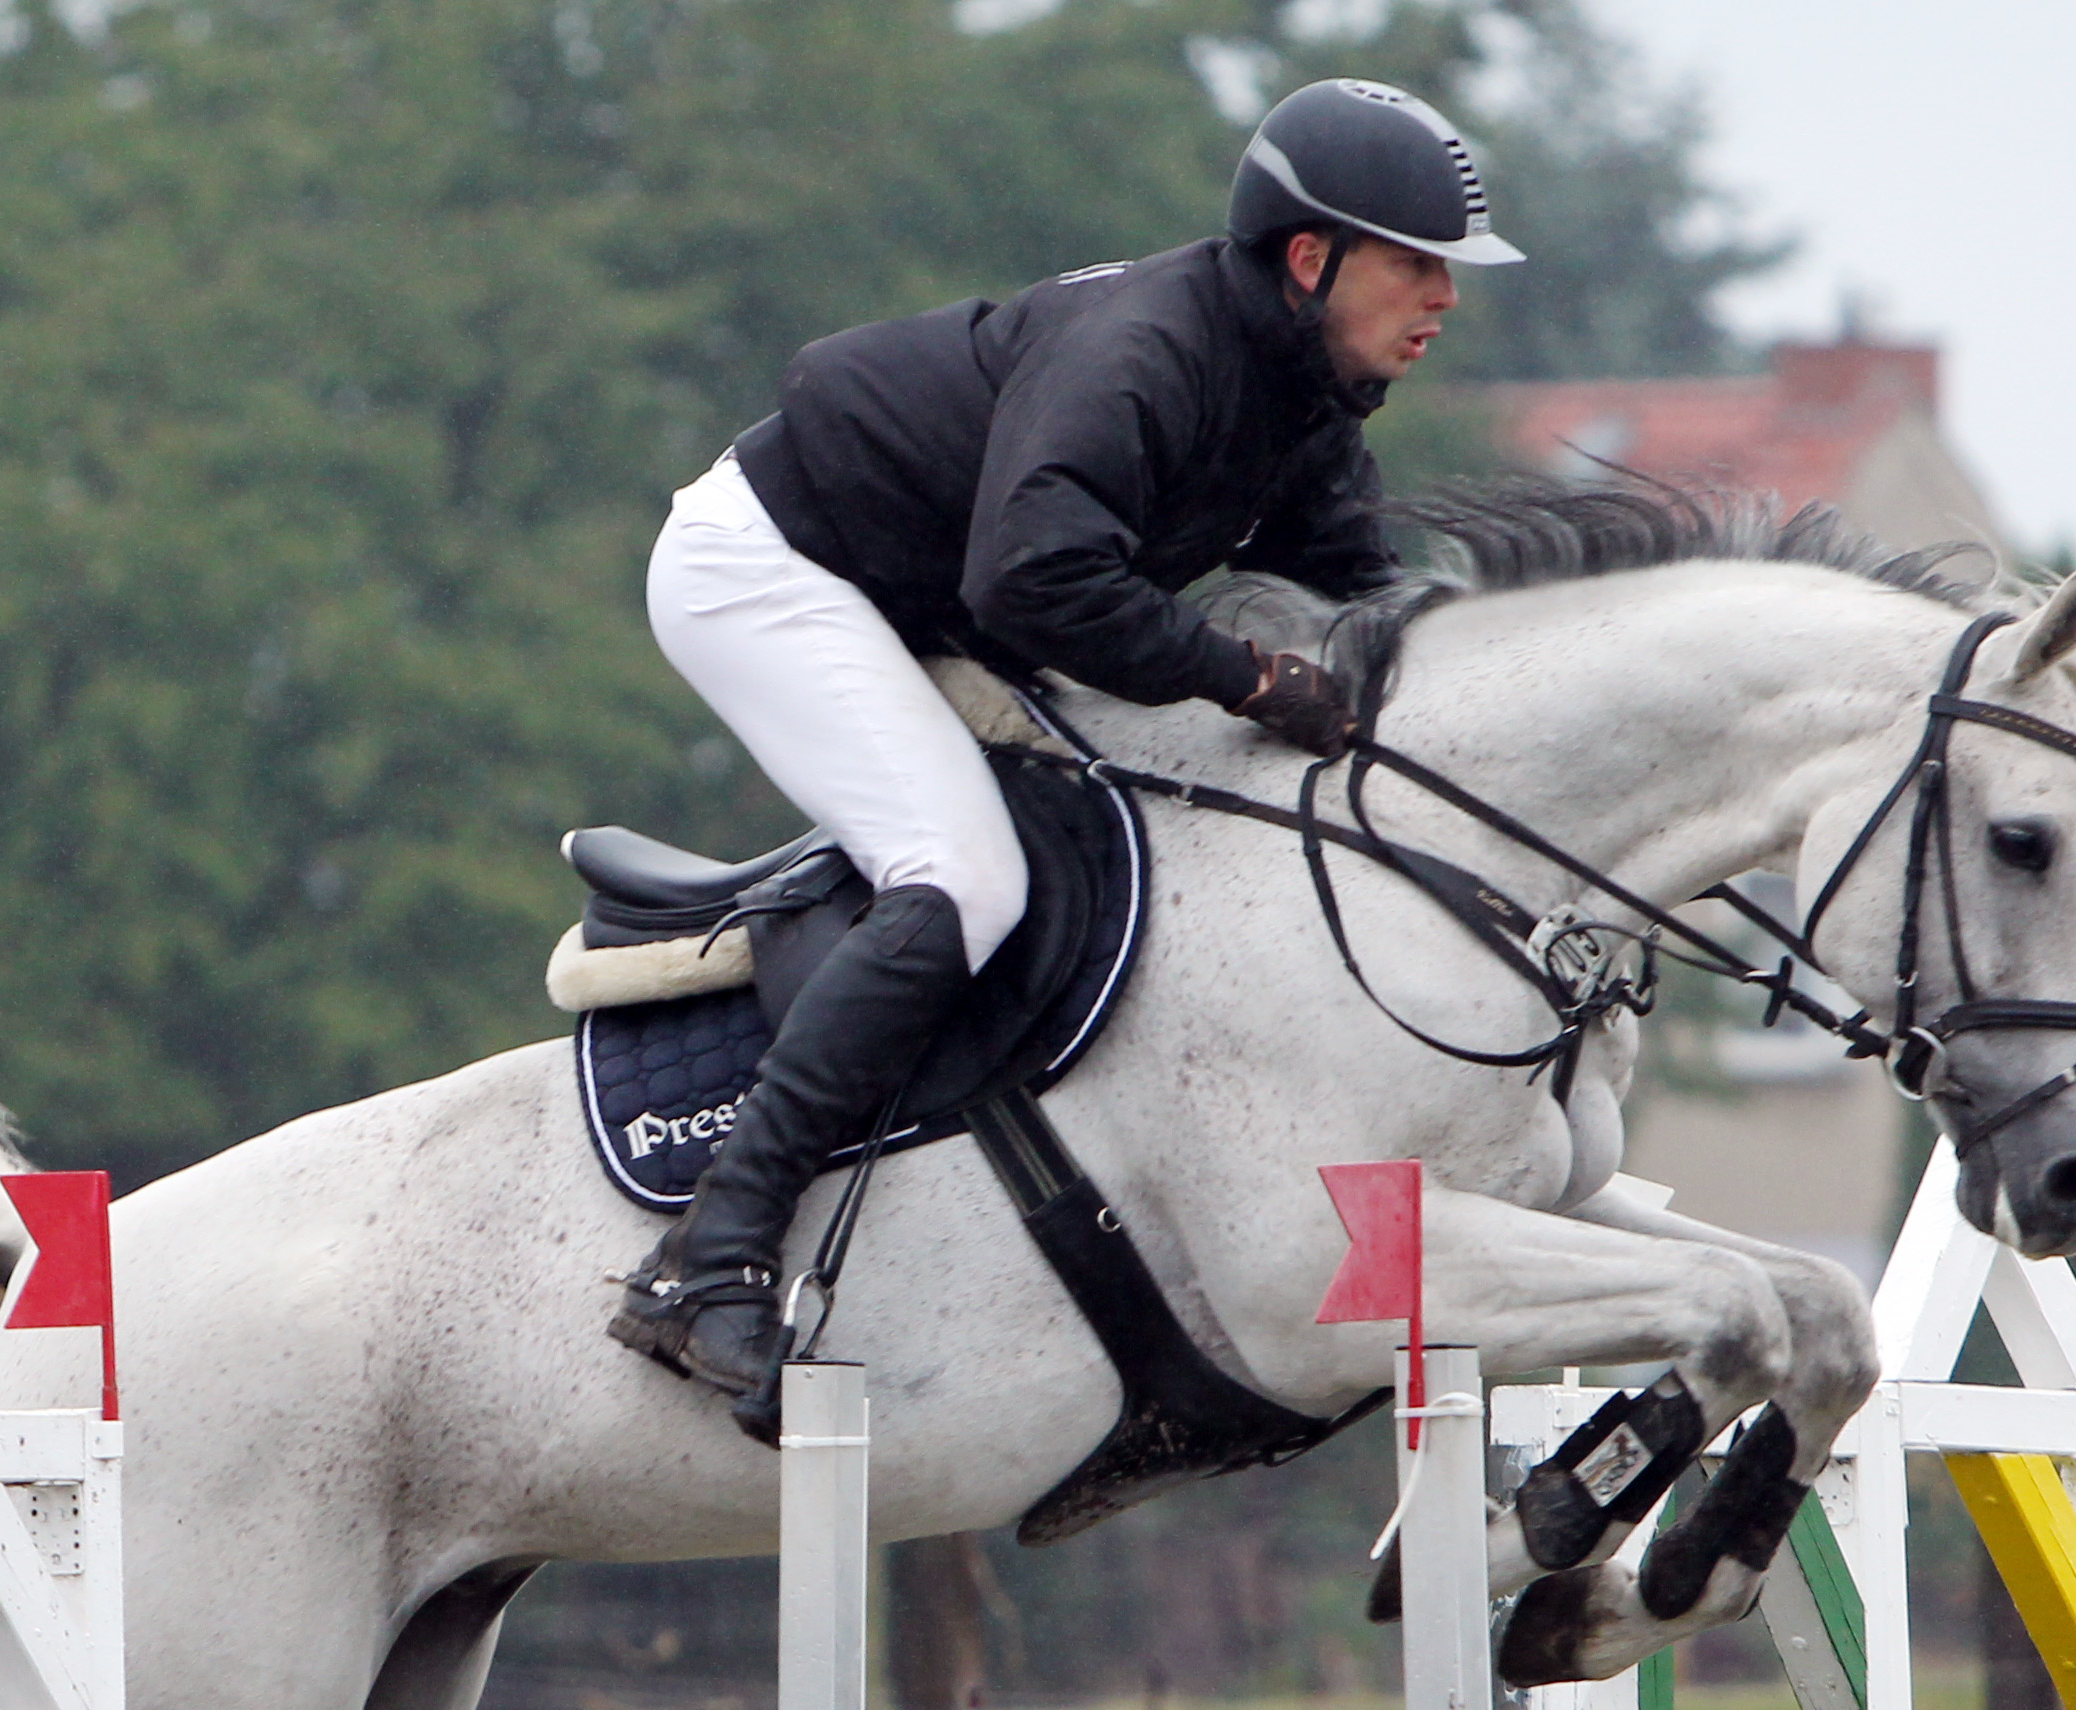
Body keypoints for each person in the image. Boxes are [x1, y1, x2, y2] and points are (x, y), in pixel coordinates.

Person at [613, 78, 1522, 1426]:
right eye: (1415, 262)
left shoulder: (1309, 400)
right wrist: (1246, 676)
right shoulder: (1147, 352)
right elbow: (1037, 579)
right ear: (1308, 256)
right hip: (774, 568)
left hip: (933, 594)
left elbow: (1360, 598)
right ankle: (711, 1249)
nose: (1442, 296)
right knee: (966, 876)